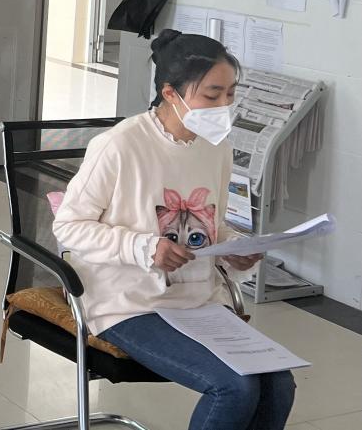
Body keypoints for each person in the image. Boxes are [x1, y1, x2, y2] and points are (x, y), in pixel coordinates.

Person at [52, 29, 296, 430]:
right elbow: (69, 226)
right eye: (212, 95)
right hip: (128, 301)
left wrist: (236, 249)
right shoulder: (119, 145)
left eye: (230, 94)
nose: (224, 106)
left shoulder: (216, 147)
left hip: (198, 299)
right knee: (234, 388)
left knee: (277, 384)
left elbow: (212, 225)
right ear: (170, 93)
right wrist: (145, 248)